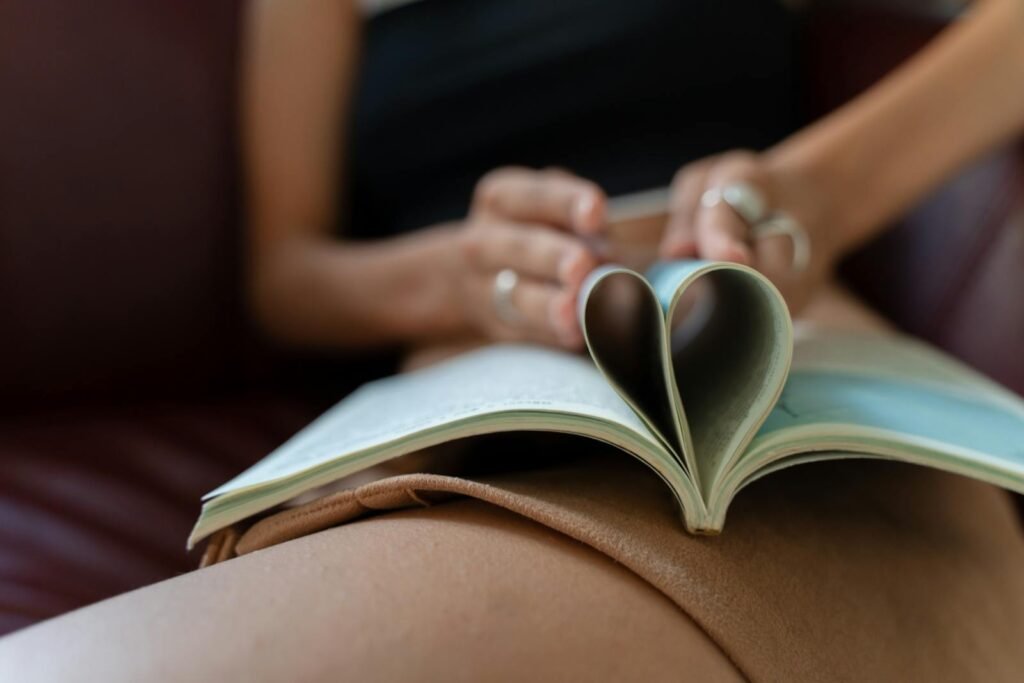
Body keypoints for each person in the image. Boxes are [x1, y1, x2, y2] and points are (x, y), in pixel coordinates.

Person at [2, 0, 1023, 679]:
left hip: (785, 348)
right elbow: (287, 278)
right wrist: (456, 272)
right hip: (477, 376)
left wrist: (819, 190)